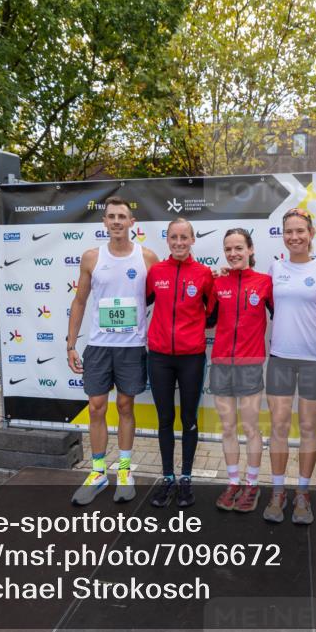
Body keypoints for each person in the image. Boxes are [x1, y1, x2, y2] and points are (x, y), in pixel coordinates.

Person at [67, 196, 158, 506]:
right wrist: (70, 344)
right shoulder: (92, 257)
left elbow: (168, 292)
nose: (117, 221)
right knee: (96, 407)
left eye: (122, 216)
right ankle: (97, 472)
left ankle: (123, 471)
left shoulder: (147, 258)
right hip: (98, 346)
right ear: (104, 222)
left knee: (125, 406)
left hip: (132, 347)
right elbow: (79, 302)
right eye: (111, 216)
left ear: (132, 223)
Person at [263, 208, 316, 524]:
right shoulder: (275, 267)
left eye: (300, 231)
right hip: (279, 358)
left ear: (312, 233)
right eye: (288, 232)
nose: (294, 237)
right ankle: (277, 491)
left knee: (307, 428)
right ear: (283, 235)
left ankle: (302, 494)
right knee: (278, 426)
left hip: (313, 360)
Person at [145, 218, 214, 509]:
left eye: (184, 237)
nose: (179, 242)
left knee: (189, 420)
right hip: (159, 356)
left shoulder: (204, 274)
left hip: (191, 357)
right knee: (164, 420)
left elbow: (212, 314)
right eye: (173, 237)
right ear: (168, 240)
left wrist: (193, 332)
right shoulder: (155, 272)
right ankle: (167, 477)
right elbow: (144, 302)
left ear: (192, 240)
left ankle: (186, 478)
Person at [209, 228, 273, 514]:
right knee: (227, 427)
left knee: (250, 428)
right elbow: (207, 319)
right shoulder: (218, 283)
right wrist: (209, 280)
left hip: (249, 365)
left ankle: (252, 484)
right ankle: (233, 482)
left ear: (250, 249)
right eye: (228, 249)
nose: (233, 253)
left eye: (238, 248)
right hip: (221, 363)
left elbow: (285, 315)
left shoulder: (265, 283)